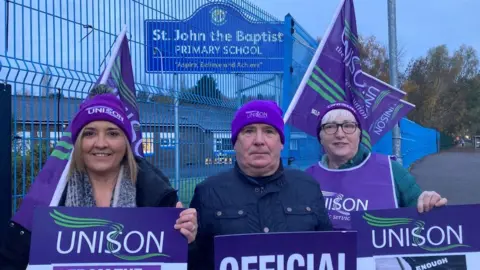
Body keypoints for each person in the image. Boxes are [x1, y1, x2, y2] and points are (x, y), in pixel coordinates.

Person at [0, 88, 197, 269]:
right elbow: (14, 260)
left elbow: (178, 263)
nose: (101, 143)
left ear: (126, 142)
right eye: (89, 133)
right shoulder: (49, 194)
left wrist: (186, 240)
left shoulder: (156, 192)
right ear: (78, 142)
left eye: (112, 133)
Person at [187, 100, 333, 270]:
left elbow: (329, 252)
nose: (259, 141)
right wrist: (188, 243)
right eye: (248, 131)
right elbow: (196, 262)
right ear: (235, 142)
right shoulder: (208, 192)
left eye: (269, 131)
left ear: (281, 143)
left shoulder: (308, 187)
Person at [306, 102, 447, 229]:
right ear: (320, 137)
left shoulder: (392, 171)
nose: (340, 134)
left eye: (348, 126)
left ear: (359, 135)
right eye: (330, 127)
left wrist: (428, 202)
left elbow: (423, 220)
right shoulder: (305, 179)